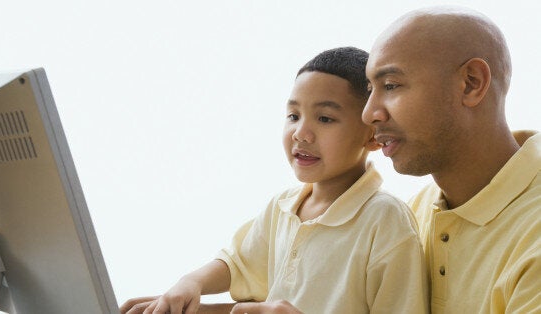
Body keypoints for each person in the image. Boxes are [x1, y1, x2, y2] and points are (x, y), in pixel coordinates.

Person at [229, 5, 541, 314]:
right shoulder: (413, 214)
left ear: (471, 83)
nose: (368, 114)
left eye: (390, 86)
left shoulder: (533, 237)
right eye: (369, 90)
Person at [121, 47, 429, 314]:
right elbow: (238, 262)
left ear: (373, 136)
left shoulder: (386, 221)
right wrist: (190, 284)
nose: (300, 133)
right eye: (294, 115)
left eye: (324, 118)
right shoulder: (283, 207)